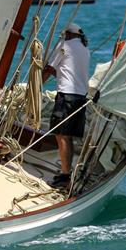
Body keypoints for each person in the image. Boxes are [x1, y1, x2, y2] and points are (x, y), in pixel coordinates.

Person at [42, 22, 91, 188]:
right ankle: (66, 174)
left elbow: (49, 68)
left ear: (68, 34)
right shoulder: (84, 50)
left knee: (61, 135)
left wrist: (35, 85)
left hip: (66, 97)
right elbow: (65, 72)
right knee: (67, 136)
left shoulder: (64, 45)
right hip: (80, 98)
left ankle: (64, 175)